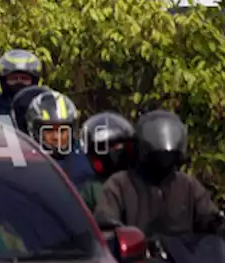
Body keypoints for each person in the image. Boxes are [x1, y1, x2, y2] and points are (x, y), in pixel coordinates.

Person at [95, 110, 222, 238]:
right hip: (138, 256)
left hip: (185, 256)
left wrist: (217, 226)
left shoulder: (188, 186)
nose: (163, 157)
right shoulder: (120, 185)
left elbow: (212, 221)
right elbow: (105, 226)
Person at [24, 89, 93, 190]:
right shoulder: (26, 163)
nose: (56, 137)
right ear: (36, 131)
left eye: (62, 131)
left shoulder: (87, 159)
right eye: (49, 131)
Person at [79, 112, 136, 211]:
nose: (110, 152)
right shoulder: (91, 190)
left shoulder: (142, 181)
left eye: (116, 145)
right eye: (102, 147)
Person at [0, 49, 42, 120]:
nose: (19, 82)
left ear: (34, 81)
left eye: (24, 78)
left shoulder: (44, 108)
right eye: (14, 78)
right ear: (3, 81)